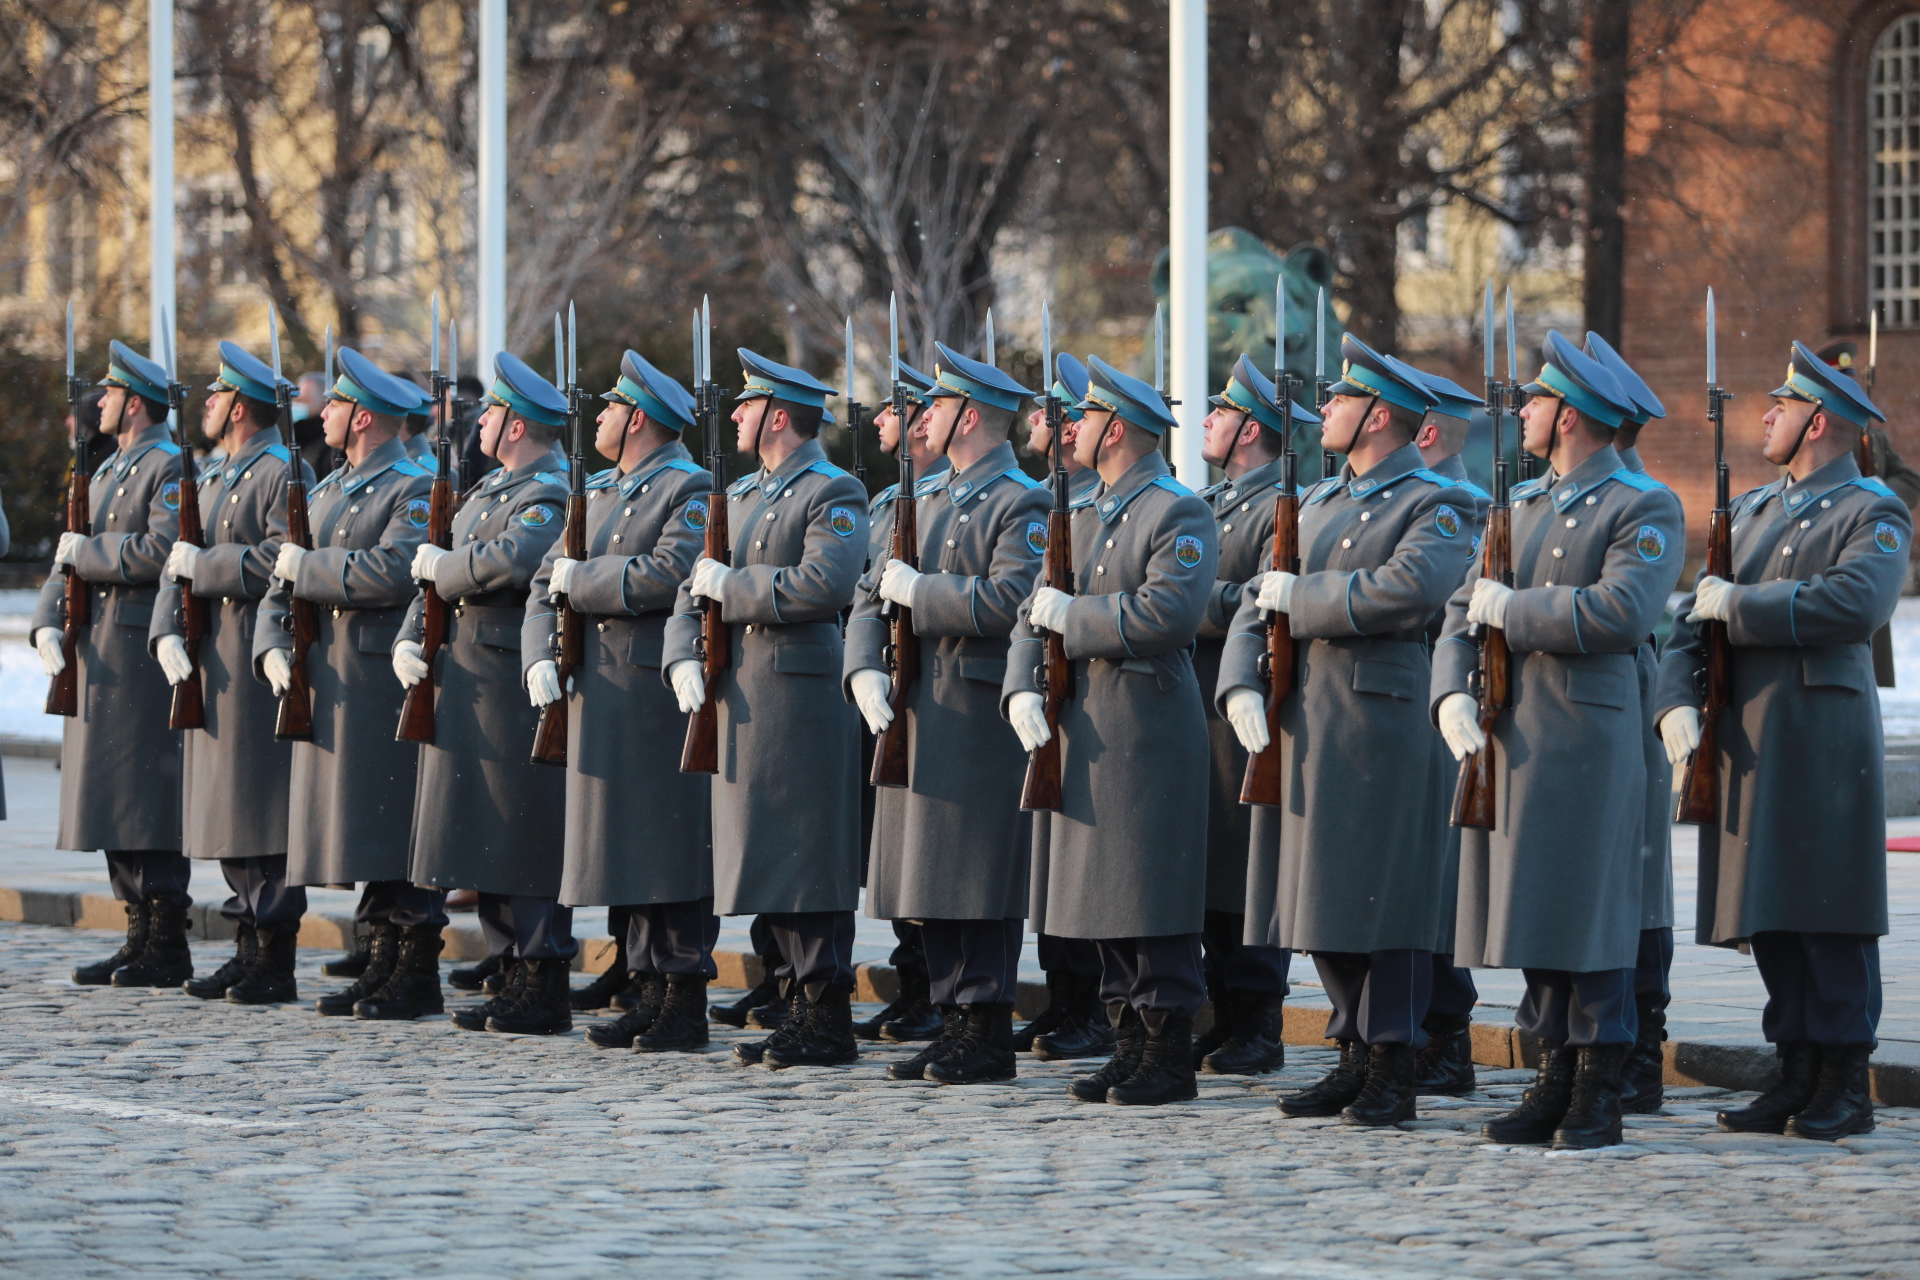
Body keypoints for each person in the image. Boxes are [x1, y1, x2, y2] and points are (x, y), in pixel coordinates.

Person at [1218, 338, 1481, 1126]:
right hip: (1304, 720)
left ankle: (1394, 1058)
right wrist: (1240, 679)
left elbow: (1411, 590)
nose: (1323, 410)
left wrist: (1305, 598)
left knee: (1387, 901)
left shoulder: (1437, 502)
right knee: (1321, 898)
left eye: (1340, 400)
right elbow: (1257, 600)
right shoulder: (1318, 502)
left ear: (1380, 417)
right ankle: (1354, 1051)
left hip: (1384, 719)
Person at [1432, 331, 1684, 1149]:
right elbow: (1460, 609)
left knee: (1591, 912)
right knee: (1539, 908)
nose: (1525, 414)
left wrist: (1518, 613)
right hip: (1515, 735)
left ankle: (1599, 1079)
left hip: (1589, 736)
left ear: (1569, 415)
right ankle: (1553, 1071)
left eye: (1535, 403)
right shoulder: (1523, 505)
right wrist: (1448, 693)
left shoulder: (1641, 504)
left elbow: (1621, 613)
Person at [1655, 341, 1908, 1142]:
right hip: (1748, 733)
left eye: (1783, 405)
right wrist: (1674, 702)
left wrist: (1744, 607)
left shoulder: (1873, 510)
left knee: (1827, 909)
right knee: (1770, 912)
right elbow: (1694, 617)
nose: (1766, 415)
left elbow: (1853, 603)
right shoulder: (1756, 511)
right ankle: (1794, 1068)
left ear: (1819, 421)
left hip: (1821, 734)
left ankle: (1844, 1078)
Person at [1003, 355, 1216, 1106]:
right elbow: (1034, 611)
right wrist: (1018, 688)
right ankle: (1128, 1037)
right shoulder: (1083, 512)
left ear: (1116, 429)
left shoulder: (1174, 510)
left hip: (1145, 729)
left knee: (1148, 895)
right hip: (1083, 728)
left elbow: (1167, 614)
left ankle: (1167, 1049)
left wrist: (1077, 620)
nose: (1072, 430)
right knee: (1103, 898)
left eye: (1085, 419)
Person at [846, 343, 1048, 1085]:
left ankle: (986, 1025)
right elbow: (872, 595)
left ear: (970, 417)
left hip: (972, 709)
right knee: (929, 879)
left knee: (976, 876)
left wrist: (918, 592)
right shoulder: (924, 496)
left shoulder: (1020, 501)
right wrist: (862, 666)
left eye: (937, 405)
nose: (923, 415)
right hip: (913, 710)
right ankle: (951, 1016)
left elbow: (1007, 602)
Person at [663, 349, 868, 1069]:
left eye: (748, 406)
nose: (737, 416)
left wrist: (733, 586)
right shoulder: (746, 494)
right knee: (770, 855)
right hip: (745, 697)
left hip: (801, 697)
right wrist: (682, 650)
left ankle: (826, 1012)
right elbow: (695, 587)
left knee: (806, 857)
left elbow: (823, 583)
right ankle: (791, 997)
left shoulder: (832, 490)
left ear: (778, 416)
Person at [525, 349, 716, 1052]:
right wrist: (539, 653)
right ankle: (644, 983)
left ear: (637, 418)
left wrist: (584, 582)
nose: (599, 417)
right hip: (597, 691)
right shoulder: (602, 489)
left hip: (651, 690)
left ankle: (682, 993)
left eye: (609, 407)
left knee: (668, 845)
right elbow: (547, 580)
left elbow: (672, 573)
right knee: (625, 845)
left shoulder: (688, 489)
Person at [255, 346, 446, 1020]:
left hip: (377, 678)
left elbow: (393, 572)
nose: (323, 413)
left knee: (394, 825)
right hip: (328, 676)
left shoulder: (413, 486)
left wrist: (307, 571)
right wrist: (271, 642)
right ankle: (382, 961)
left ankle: (415, 968)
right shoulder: (331, 486)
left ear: (362, 417)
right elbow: (284, 578)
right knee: (363, 825)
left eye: (334, 405)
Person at [395, 353, 573, 1033]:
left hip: (508, 680)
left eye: (493, 413)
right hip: (466, 677)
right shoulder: (493, 489)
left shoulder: (545, 491)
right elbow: (428, 571)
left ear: (518, 426)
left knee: (520, 829)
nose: (481, 422)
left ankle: (541, 973)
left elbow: (513, 561)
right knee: (486, 830)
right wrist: (412, 637)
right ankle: (510, 968)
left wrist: (448, 569)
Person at [152, 341, 312, 1004]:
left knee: (259, 807)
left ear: (239, 406)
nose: (207, 405)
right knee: (225, 807)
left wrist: (207, 570)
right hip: (211, 657)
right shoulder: (215, 473)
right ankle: (247, 939)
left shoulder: (279, 470)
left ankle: (273, 953)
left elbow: (282, 555)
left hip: (253, 654)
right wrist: (166, 627)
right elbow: (179, 557)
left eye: (215, 396)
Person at [32, 341, 188, 988]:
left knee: (143, 799)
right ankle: (135, 930)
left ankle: (166, 939)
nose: (100, 401)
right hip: (96, 654)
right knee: (107, 800)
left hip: (137, 652)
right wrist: (46, 620)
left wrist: (91, 554)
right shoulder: (105, 469)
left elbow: (161, 550)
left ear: (136, 405)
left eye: (112, 393)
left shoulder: (168, 466)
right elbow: (67, 556)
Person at [1188, 354, 1320, 1077]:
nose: (1209, 420)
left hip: (1251, 704)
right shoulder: (1213, 504)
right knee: (1213, 866)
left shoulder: (1283, 507)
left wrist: (1181, 604)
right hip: (1200, 699)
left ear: (1250, 432)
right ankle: (1224, 1012)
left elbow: (1262, 599)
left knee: (1250, 866)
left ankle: (1259, 1021)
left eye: (1221, 411)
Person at [1584, 331, 1679, 1115]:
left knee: (1637, 883)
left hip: (1625, 694)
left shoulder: (1636, 499)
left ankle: (1641, 1044)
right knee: (1626, 882)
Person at [1009, 352, 1113, 1060]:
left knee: (1092, 860)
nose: (1039, 425)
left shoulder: (1086, 505)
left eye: (1051, 414)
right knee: (1054, 861)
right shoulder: (1057, 501)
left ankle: (1093, 1006)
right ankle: (1066, 998)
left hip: (1107, 702)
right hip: (1051, 695)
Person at [848, 357, 946, 1046]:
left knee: (935, 854)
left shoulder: (949, 497)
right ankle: (915, 982)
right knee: (897, 855)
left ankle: (940, 992)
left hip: (939, 694)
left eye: (892, 410)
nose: (879, 421)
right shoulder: (889, 502)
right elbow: (864, 592)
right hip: (885, 688)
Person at [1400, 363, 1492, 1099]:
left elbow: (1439, 609)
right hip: (1403, 709)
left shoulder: (1453, 503)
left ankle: (1446, 1035)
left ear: (1422, 431)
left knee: (1429, 887)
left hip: (1431, 713)